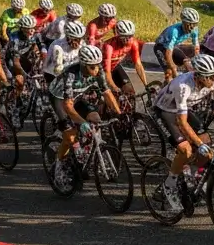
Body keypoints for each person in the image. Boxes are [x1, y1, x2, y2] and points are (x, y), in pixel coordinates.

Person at [151, 54, 214, 211]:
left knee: (207, 146)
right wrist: (198, 144)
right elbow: (181, 122)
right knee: (186, 150)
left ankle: (191, 174)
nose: (213, 80)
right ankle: (169, 185)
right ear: (199, 76)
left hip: (184, 110)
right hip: (165, 112)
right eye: (209, 77)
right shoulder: (183, 86)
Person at [46, 45, 122, 189]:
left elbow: (107, 93)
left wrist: (119, 114)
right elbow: (68, 106)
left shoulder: (98, 70)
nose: (96, 70)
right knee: (71, 135)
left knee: (96, 119)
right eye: (92, 67)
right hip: (59, 98)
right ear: (83, 65)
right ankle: (58, 165)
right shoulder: (71, 75)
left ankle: (87, 154)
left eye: (97, 65)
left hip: (77, 97)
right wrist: (82, 123)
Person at [2, 14, 43, 126]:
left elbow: (41, 49)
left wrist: (43, 64)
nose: (32, 30)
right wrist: (25, 75)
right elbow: (15, 63)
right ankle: (15, 109)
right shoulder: (15, 39)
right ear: (22, 28)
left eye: (33, 28)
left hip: (23, 58)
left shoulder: (35, 35)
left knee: (34, 73)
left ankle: (28, 96)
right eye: (28, 28)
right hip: (10, 61)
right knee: (20, 81)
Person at [102, 19, 147, 100]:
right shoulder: (109, 47)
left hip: (115, 67)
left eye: (130, 36)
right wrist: (114, 87)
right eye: (124, 37)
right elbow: (107, 72)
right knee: (113, 95)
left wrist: (146, 85)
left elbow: (138, 65)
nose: (128, 40)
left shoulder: (133, 43)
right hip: (102, 70)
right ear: (118, 36)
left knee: (130, 91)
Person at [153, 7, 202, 80]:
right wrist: (173, 68)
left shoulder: (195, 29)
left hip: (173, 47)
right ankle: (168, 85)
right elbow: (168, 54)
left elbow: (196, 48)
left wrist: (198, 63)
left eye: (194, 24)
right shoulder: (174, 31)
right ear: (183, 23)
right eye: (188, 25)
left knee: (187, 62)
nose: (191, 28)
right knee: (170, 72)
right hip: (160, 47)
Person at [43, 20, 86, 85]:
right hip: (55, 75)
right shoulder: (57, 44)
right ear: (68, 37)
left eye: (79, 39)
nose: (78, 43)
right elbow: (46, 64)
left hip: (73, 75)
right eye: (75, 40)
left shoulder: (83, 44)